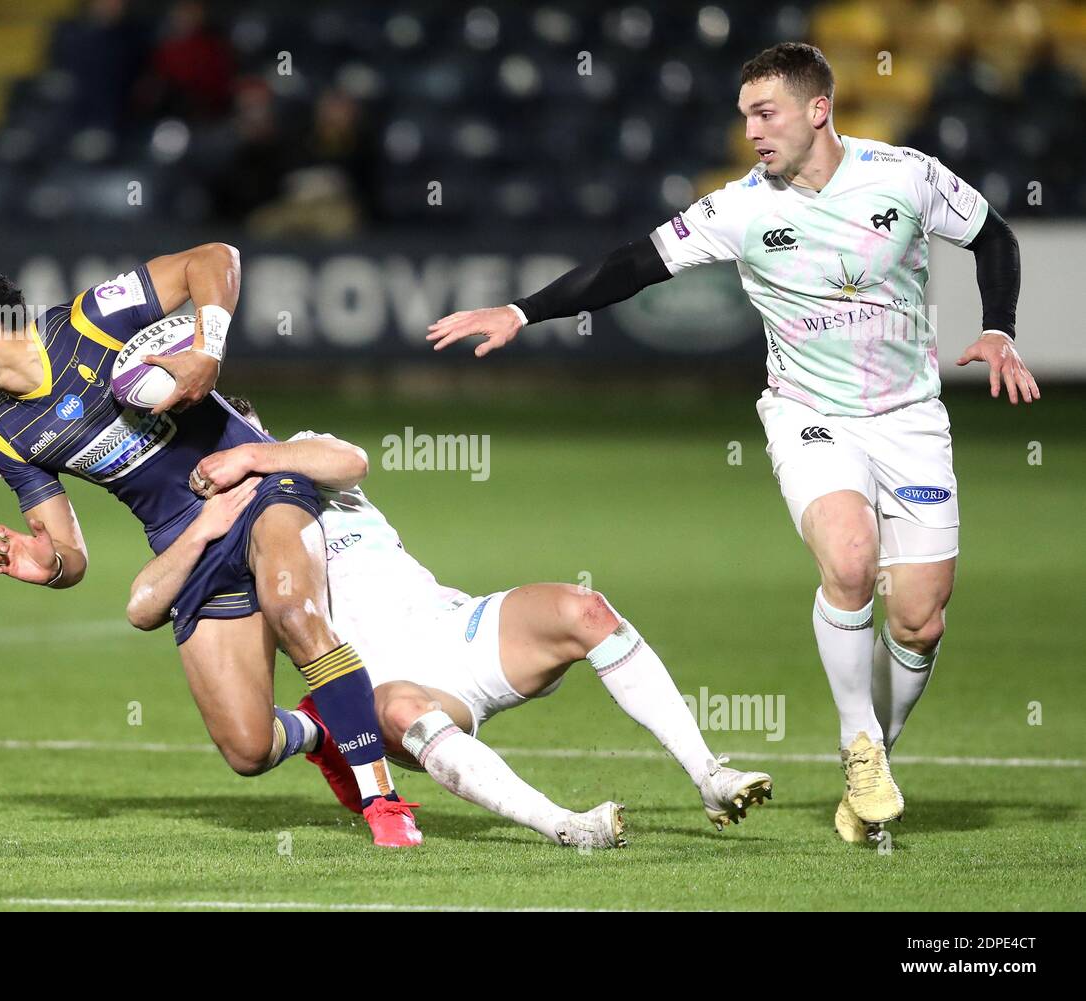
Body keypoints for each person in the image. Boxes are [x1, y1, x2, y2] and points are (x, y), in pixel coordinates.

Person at [424, 43, 1036, 844]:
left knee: (919, 620)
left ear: (819, 109)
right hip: (808, 415)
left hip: (910, 417)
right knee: (850, 558)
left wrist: (997, 328)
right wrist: (522, 311)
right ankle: (860, 746)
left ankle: (874, 753)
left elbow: (996, 238)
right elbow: (632, 264)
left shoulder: (906, 175)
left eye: (765, 112)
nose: (750, 129)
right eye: (745, 114)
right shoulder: (739, 208)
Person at [0, 244, 420, 847]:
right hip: (186, 544)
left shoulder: (90, 320)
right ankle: (321, 730)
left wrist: (209, 348)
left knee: (293, 609)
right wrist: (48, 565)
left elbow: (215, 257)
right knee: (249, 748)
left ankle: (383, 800)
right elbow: (70, 555)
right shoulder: (7, 437)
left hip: (252, 486)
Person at [125, 397, 775, 850]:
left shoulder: (301, 457)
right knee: (401, 707)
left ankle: (709, 776)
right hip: (382, 685)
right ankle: (565, 825)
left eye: (248, 434)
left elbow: (352, 460)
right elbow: (143, 606)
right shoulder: (216, 532)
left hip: (453, 623)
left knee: (586, 610)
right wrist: (206, 527)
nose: (243, 449)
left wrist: (261, 458)